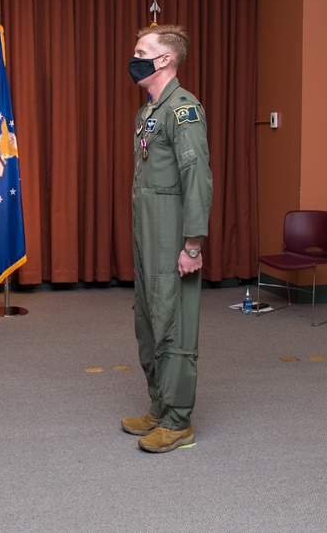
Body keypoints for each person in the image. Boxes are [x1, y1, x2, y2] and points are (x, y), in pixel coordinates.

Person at [122, 24, 213, 453]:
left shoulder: (183, 109)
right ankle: (159, 405)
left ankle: (178, 421)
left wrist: (192, 244)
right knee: (149, 318)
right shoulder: (148, 112)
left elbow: (198, 177)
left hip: (172, 227)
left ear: (164, 60)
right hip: (146, 227)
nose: (134, 57)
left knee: (174, 322)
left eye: (142, 51)